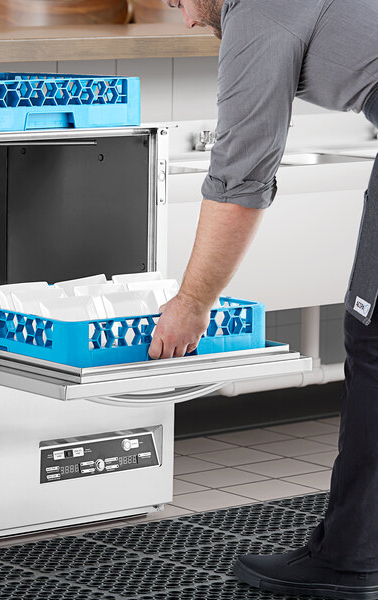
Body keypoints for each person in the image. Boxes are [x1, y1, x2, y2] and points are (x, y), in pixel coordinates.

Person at [152, 0, 378, 598]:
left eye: (179, 2)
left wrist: (193, 299)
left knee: (376, 342)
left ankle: (350, 561)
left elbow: (241, 174)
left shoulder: (257, 13)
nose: (187, 21)